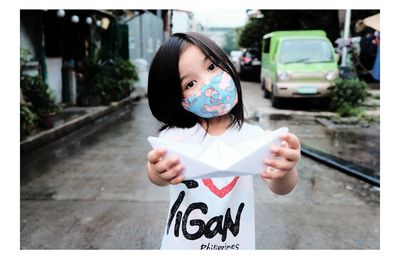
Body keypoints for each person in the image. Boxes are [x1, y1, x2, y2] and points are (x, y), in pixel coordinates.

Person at [146, 32, 301, 250]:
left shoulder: (253, 136)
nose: (209, 84)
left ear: (226, 64)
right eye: (190, 83)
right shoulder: (175, 136)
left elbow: (280, 188)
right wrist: (157, 170)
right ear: (177, 97)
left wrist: (285, 170)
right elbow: (157, 176)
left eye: (211, 67)